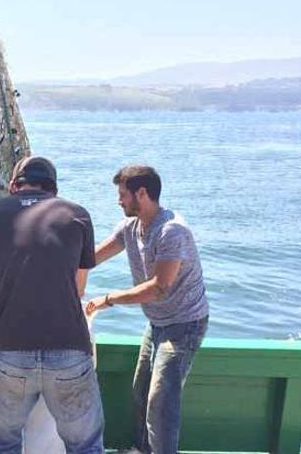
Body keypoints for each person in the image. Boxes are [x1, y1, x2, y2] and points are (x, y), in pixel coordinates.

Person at [0, 156, 105, 454]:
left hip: (8, 353)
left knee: (4, 444)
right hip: (70, 351)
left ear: (12, 186)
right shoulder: (78, 215)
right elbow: (78, 288)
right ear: (53, 190)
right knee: (85, 445)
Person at [86, 165, 209, 454]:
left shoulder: (171, 230)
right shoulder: (130, 228)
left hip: (184, 324)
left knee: (161, 402)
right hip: (156, 322)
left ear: (142, 193)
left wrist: (109, 299)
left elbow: (158, 287)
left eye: (123, 195)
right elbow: (92, 257)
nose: (119, 201)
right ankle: (141, 449)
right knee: (141, 392)